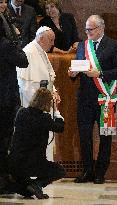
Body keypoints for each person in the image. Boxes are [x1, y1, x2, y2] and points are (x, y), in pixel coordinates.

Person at [68, 15, 117, 184]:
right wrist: (73, 74)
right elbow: (78, 66)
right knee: (84, 137)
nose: (87, 32)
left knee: (105, 137)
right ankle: (87, 171)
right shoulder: (83, 46)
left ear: (101, 28)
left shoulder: (114, 46)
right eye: (85, 29)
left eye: (90, 29)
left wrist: (100, 73)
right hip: (85, 99)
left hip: (105, 99)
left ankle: (100, 172)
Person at [8, 87, 65, 199]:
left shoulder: (21, 113)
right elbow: (60, 128)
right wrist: (56, 110)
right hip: (34, 163)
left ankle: (27, 186)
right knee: (60, 171)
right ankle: (37, 184)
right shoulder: (45, 118)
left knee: (28, 192)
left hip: (15, 163)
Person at [16, 26, 59, 162]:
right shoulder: (29, 52)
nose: (53, 44)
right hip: (34, 108)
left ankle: (44, 168)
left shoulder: (41, 51)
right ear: (41, 39)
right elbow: (25, 84)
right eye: (51, 40)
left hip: (44, 105)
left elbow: (48, 77)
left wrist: (54, 92)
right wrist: (42, 100)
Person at [0, 0, 29, 192]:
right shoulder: (5, 44)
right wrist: (15, 41)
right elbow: (23, 60)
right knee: (4, 139)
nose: (3, 5)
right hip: (4, 96)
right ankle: (4, 179)